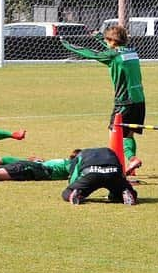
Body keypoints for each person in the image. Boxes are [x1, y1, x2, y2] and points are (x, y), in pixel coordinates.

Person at [60, 23, 145, 176]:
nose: (106, 43)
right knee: (129, 134)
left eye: (107, 40)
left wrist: (67, 45)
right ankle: (131, 165)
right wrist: (99, 37)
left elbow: (90, 53)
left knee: (115, 133)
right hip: (140, 100)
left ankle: (121, 165)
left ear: (112, 41)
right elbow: (111, 48)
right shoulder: (132, 51)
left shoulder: (113, 55)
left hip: (124, 101)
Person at [61, 147, 137, 205]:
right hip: (113, 173)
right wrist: (124, 185)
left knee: (67, 192)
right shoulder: (109, 151)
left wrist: (74, 186)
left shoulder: (79, 156)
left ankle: (77, 194)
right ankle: (124, 193)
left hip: (91, 174)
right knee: (122, 192)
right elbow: (120, 170)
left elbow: (73, 177)